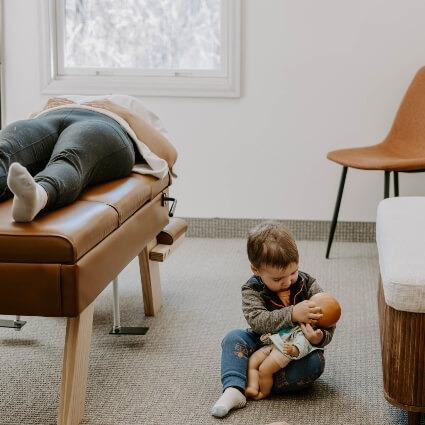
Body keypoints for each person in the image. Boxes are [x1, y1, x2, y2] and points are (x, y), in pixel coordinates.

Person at [211, 221, 335, 418]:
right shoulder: (252, 289)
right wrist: (292, 314)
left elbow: (328, 317)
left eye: (293, 273)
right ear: (256, 270)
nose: (287, 282)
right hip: (262, 341)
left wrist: (319, 338)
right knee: (233, 338)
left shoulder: (308, 285)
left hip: (294, 351)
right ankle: (234, 389)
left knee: (315, 364)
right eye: (277, 279)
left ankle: (256, 379)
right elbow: (258, 321)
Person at [0, 95, 177, 222]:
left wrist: (125, 113)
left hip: (104, 124)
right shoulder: (55, 100)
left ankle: (39, 195)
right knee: (6, 149)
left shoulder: (130, 104)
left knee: (71, 157)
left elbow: (169, 155)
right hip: (48, 117)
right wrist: (40, 110)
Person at [246, 292, 340, 400]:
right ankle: (252, 386)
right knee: (252, 361)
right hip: (273, 343)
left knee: (264, 369)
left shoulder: (308, 332)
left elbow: (303, 347)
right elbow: (280, 329)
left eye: (311, 307)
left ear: (317, 317)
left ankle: (263, 392)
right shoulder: (299, 319)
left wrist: (293, 350)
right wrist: (266, 337)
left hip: (283, 352)